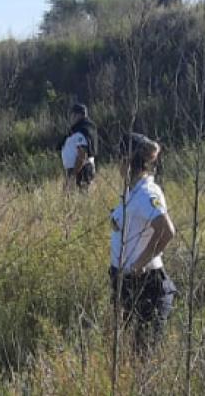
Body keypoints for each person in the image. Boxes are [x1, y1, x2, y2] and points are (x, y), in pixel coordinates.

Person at [109, 133, 177, 350]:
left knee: (143, 352)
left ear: (127, 161)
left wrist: (139, 264)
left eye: (119, 159)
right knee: (128, 350)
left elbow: (166, 231)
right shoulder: (132, 193)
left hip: (147, 285)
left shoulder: (147, 193)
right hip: (127, 282)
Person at [61, 103, 97, 191]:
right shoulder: (80, 129)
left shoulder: (82, 130)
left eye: (72, 114)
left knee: (80, 199)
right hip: (78, 169)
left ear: (78, 115)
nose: (71, 117)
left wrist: (72, 176)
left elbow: (82, 156)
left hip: (81, 170)